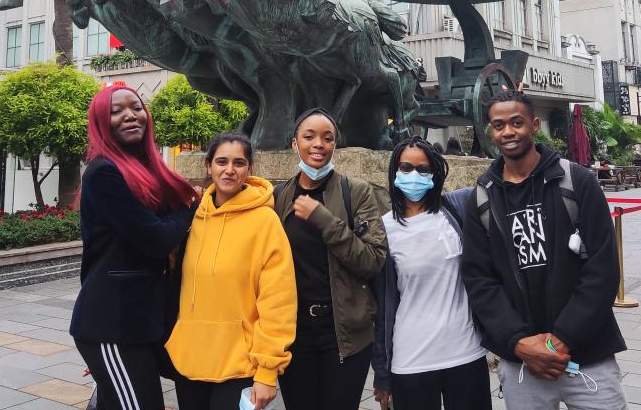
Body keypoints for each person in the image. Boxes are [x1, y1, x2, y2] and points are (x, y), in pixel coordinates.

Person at [461, 90, 627, 410]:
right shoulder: (482, 197)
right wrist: (519, 342)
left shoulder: (577, 181)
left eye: (517, 122)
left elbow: (603, 269)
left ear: (534, 125)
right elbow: (480, 280)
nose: (508, 132)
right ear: (490, 131)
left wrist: (560, 339)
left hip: (587, 356)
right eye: (499, 125)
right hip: (522, 362)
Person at [70, 85, 200, 410]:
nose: (130, 115)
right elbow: (156, 239)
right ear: (102, 122)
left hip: (141, 322)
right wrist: (190, 206)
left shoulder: (146, 168)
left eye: (136, 107)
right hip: (114, 324)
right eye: (116, 111)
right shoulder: (103, 172)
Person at [165, 132, 297, 410]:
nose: (229, 170)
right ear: (208, 166)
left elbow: (278, 302)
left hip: (240, 364)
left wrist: (267, 371)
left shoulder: (265, 221)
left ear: (249, 169)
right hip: (189, 360)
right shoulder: (191, 216)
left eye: (239, 163)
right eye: (221, 161)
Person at [272, 108, 388, 410]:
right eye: (309, 136)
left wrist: (323, 219)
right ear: (294, 143)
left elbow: (372, 259)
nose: (318, 145)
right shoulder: (279, 196)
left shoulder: (357, 192)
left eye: (327, 138)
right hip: (295, 333)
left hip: (344, 335)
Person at [372, 137, 491, 410]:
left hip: (466, 353)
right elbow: (380, 306)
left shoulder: (456, 209)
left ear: (434, 174)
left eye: (423, 169)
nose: (414, 175)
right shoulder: (384, 229)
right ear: (394, 172)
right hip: (411, 360)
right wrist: (381, 372)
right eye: (406, 167)